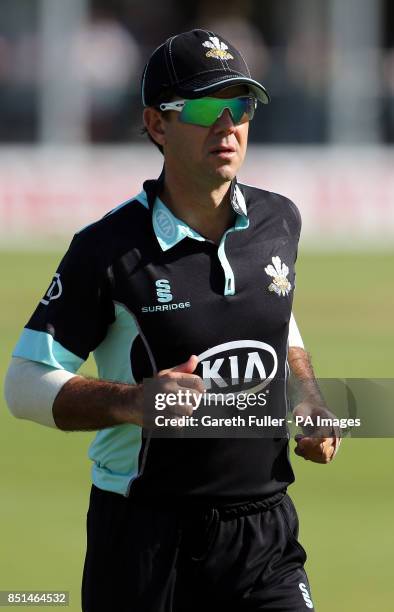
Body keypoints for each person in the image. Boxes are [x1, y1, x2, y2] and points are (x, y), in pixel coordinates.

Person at [5, 29, 340, 612]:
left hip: (265, 537)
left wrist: (308, 396)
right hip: (144, 540)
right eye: (207, 106)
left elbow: (277, 319)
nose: (228, 124)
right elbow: (23, 385)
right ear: (157, 125)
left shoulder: (279, 219)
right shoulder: (106, 250)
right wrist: (135, 402)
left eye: (241, 106)